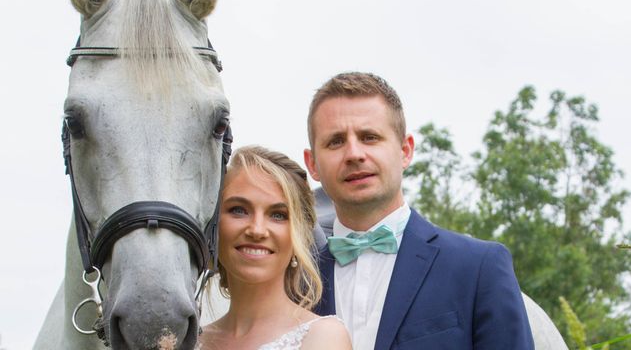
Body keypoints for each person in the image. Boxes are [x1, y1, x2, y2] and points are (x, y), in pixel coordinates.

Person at [303, 72, 534, 350]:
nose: (354, 153)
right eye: (336, 141)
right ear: (312, 163)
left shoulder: (479, 268)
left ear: (405, 150)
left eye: (370, 137)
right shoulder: (296, 278)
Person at [200, 146, 352, 350]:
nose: (257, 230)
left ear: (300, 233)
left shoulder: (323, 338)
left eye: (278, 215)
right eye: (238, 210)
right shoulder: (188, 342)